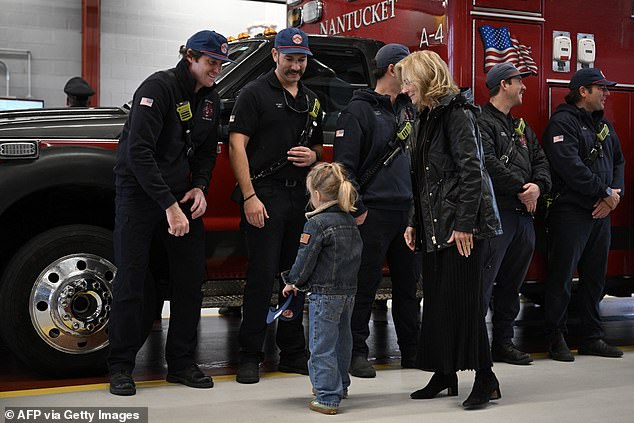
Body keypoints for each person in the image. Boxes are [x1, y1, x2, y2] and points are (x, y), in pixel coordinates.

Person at [108, 30, 233, 396]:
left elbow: (209, 150)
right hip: (139, 195)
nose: (216, 71)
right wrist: (168, 206)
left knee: (190, 281)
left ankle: (180, 363)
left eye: (221, 64)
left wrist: (201, 187)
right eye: (211, 63)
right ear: (190, 57)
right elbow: (139, 153)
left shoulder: (212, 99)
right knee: (131, 281)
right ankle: (120, 367)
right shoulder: (158, 88)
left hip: (180, 195)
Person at [396, 50, 503, 409]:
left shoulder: (457, 114)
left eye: (409, 80)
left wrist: (465, 224)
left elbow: (472, 172)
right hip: (435, 225)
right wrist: (415, 222)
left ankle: (486, 379)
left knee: (466, 304)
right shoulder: (426, 116)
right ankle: (445, 373)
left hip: (461, 226)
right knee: (439, 303)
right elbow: (422, 178)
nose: (404, 87)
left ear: (426, 78)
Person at [228, 27, 324, 384]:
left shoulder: (312, 101)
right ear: (274, 56)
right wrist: (250, 196)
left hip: (299, 198)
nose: (296, 66)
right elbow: (236, 147)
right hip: (264, 196)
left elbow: (318, 149)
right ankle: (249, 356)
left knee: (295, 276)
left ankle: (292, 352)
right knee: (261, 275)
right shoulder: (252, 95)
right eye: (290, 58)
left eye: (301, 59)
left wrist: (312, 154)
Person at [334, 43, 419, 378]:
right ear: (392, 69)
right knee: (364, 285)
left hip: (407, 214)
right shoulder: (358, 112)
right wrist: (356, 209)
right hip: (372, 214)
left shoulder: (410, 111)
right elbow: (344, 168)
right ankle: (356, 351)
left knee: (408, 287)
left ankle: (413, 350)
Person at [542, 68, 625, 361]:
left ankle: (592, 337)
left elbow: (619, 162)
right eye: (600, 88)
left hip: (601, 213)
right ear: (582, 92)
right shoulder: (561, 124)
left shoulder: (604, 126)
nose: (607, 93)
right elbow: (571, 168)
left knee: (594, 280)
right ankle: (555, 338)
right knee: (562, 278)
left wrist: (614, 197)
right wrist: (604, 193)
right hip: (571, 214)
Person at [477, 63, 551, 365]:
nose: (524, 87)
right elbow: (487, 163)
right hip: (496, 217)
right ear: (504, 84)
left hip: (523, 219)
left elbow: (542, 161)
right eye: (520, 81)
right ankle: (477, 346)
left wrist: (538, 187)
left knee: (511, 286)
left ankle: (503, 343)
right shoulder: (481, 123)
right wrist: (522, 187)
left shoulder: (520, 127)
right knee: (483, 286)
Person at [281, 162, 363, 415]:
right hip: (348, 292)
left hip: (324, 294)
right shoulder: (350, 221)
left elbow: (305, 259)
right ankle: (341, 385)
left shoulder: (316, 224)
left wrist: (292, 281)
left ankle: (327, 396)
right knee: (342, 341)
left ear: (316, 195)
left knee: (321, 344)